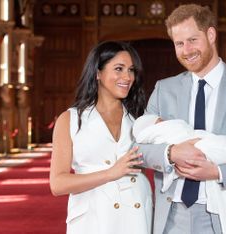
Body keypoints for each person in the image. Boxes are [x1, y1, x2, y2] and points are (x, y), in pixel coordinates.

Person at [137, 4, 226, 234]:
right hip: (172, 216)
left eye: (193, 40)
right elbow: (140, 147)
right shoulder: (164, 89)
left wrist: (218, 172)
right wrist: (170, 153)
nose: (186, 50)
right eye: (179, 43)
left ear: (211, 34)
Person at [49, 41, 152, 234]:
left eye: (131, 70)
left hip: (136, 213)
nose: (127, 77)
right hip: (93, 218)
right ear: (98, 73)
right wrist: (109, 173)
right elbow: (58, 184)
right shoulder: (70, 119)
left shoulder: (140, 117)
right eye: (119, 69)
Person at [133, 114, 226, 233]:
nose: (165, 122)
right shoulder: (160, 99)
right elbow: (137, 149)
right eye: (160, 122)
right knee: (214, 148)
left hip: (216, 207)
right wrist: (170, 153)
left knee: (219, 146)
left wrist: (218, 172)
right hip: (172, 210)